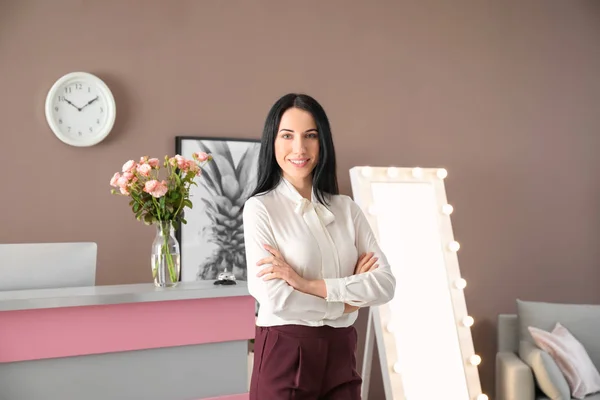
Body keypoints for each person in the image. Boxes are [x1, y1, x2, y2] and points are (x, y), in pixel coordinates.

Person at [243, 93, 396, 400]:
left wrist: (307, 284)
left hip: (342, 353)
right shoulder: (260, 208)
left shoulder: (347, 209)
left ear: (322, 142)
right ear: (272, 141)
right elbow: (275, 297)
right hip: (286, 352)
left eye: (310, 136)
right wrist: (346, 301)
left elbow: (384, 285)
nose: (299, 148)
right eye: (287, 135)